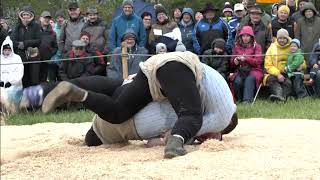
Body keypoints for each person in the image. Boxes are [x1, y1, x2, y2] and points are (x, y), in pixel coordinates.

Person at [42, 51, 207, 158]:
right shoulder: (219, 108)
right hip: (173, 67)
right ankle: (175, 145)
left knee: (117, 112)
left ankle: (79, 95)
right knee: (191, 114)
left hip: (150, 69)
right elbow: (209, 116)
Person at [230, 26, 263, 103]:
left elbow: (258, 62)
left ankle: (247, 100)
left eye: (247, 36)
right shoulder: (236, 46)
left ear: (251, 37)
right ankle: (238, 99)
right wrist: (235, 61)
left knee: (249, 79)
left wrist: (246, 59)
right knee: (237, 81)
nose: (245, 38)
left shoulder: (257, 47)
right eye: (243, 36)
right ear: (240, 37)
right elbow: (231, 62)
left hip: (254, 70)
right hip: (240, 70)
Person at [10, 5, 41, 87]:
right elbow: (13, 40)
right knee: (24, 79)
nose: (26, 16)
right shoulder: (17, 27)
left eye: (28, 15)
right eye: (24, 15)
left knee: (34, 79)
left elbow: (38, 40)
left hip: (34, 56)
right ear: (21, 16)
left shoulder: (36, 26)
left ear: (31, 16)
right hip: (21, 56)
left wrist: (25, 43)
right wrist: (19, 45)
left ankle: (35, 97)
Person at [264, 29, 292, 101]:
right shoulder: (272, 47)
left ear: (287, 38)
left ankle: (283, 98)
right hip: (273, 73)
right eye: (280, 38)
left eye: (284, 38)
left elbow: (299, 58)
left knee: (288, 83)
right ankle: (278, 95)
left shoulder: (292, 46)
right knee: (271, 80)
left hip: (288, 72)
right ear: (277, 38)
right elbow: (268, 65)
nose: (282, 40)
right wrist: (278, 74)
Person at [39, 11, 58, 82]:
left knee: (44, 80)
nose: (46, 20)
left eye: (48, 18)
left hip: (46, 61)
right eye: (45, 18)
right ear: (40, 18)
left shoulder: (53, 33)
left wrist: (49, 55)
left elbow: (56, 47)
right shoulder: (35, 30)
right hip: (35, 60)